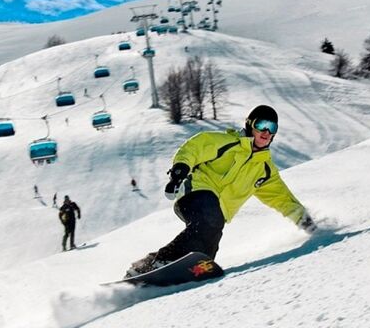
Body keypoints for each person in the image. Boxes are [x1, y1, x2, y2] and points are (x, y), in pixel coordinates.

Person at [126, 105, 316, 277]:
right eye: (262, 125)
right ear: (250, 125)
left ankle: (144, 267)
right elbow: (195, 148)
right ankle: (164, 260)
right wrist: (179, 171)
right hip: (196, 194)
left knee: (204, 255)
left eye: (272, 128)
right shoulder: (227, 143)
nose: (266, 132)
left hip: (216, 217)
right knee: (210, 219)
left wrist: (308, 223)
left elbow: (282, 198)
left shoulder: (265, 170)